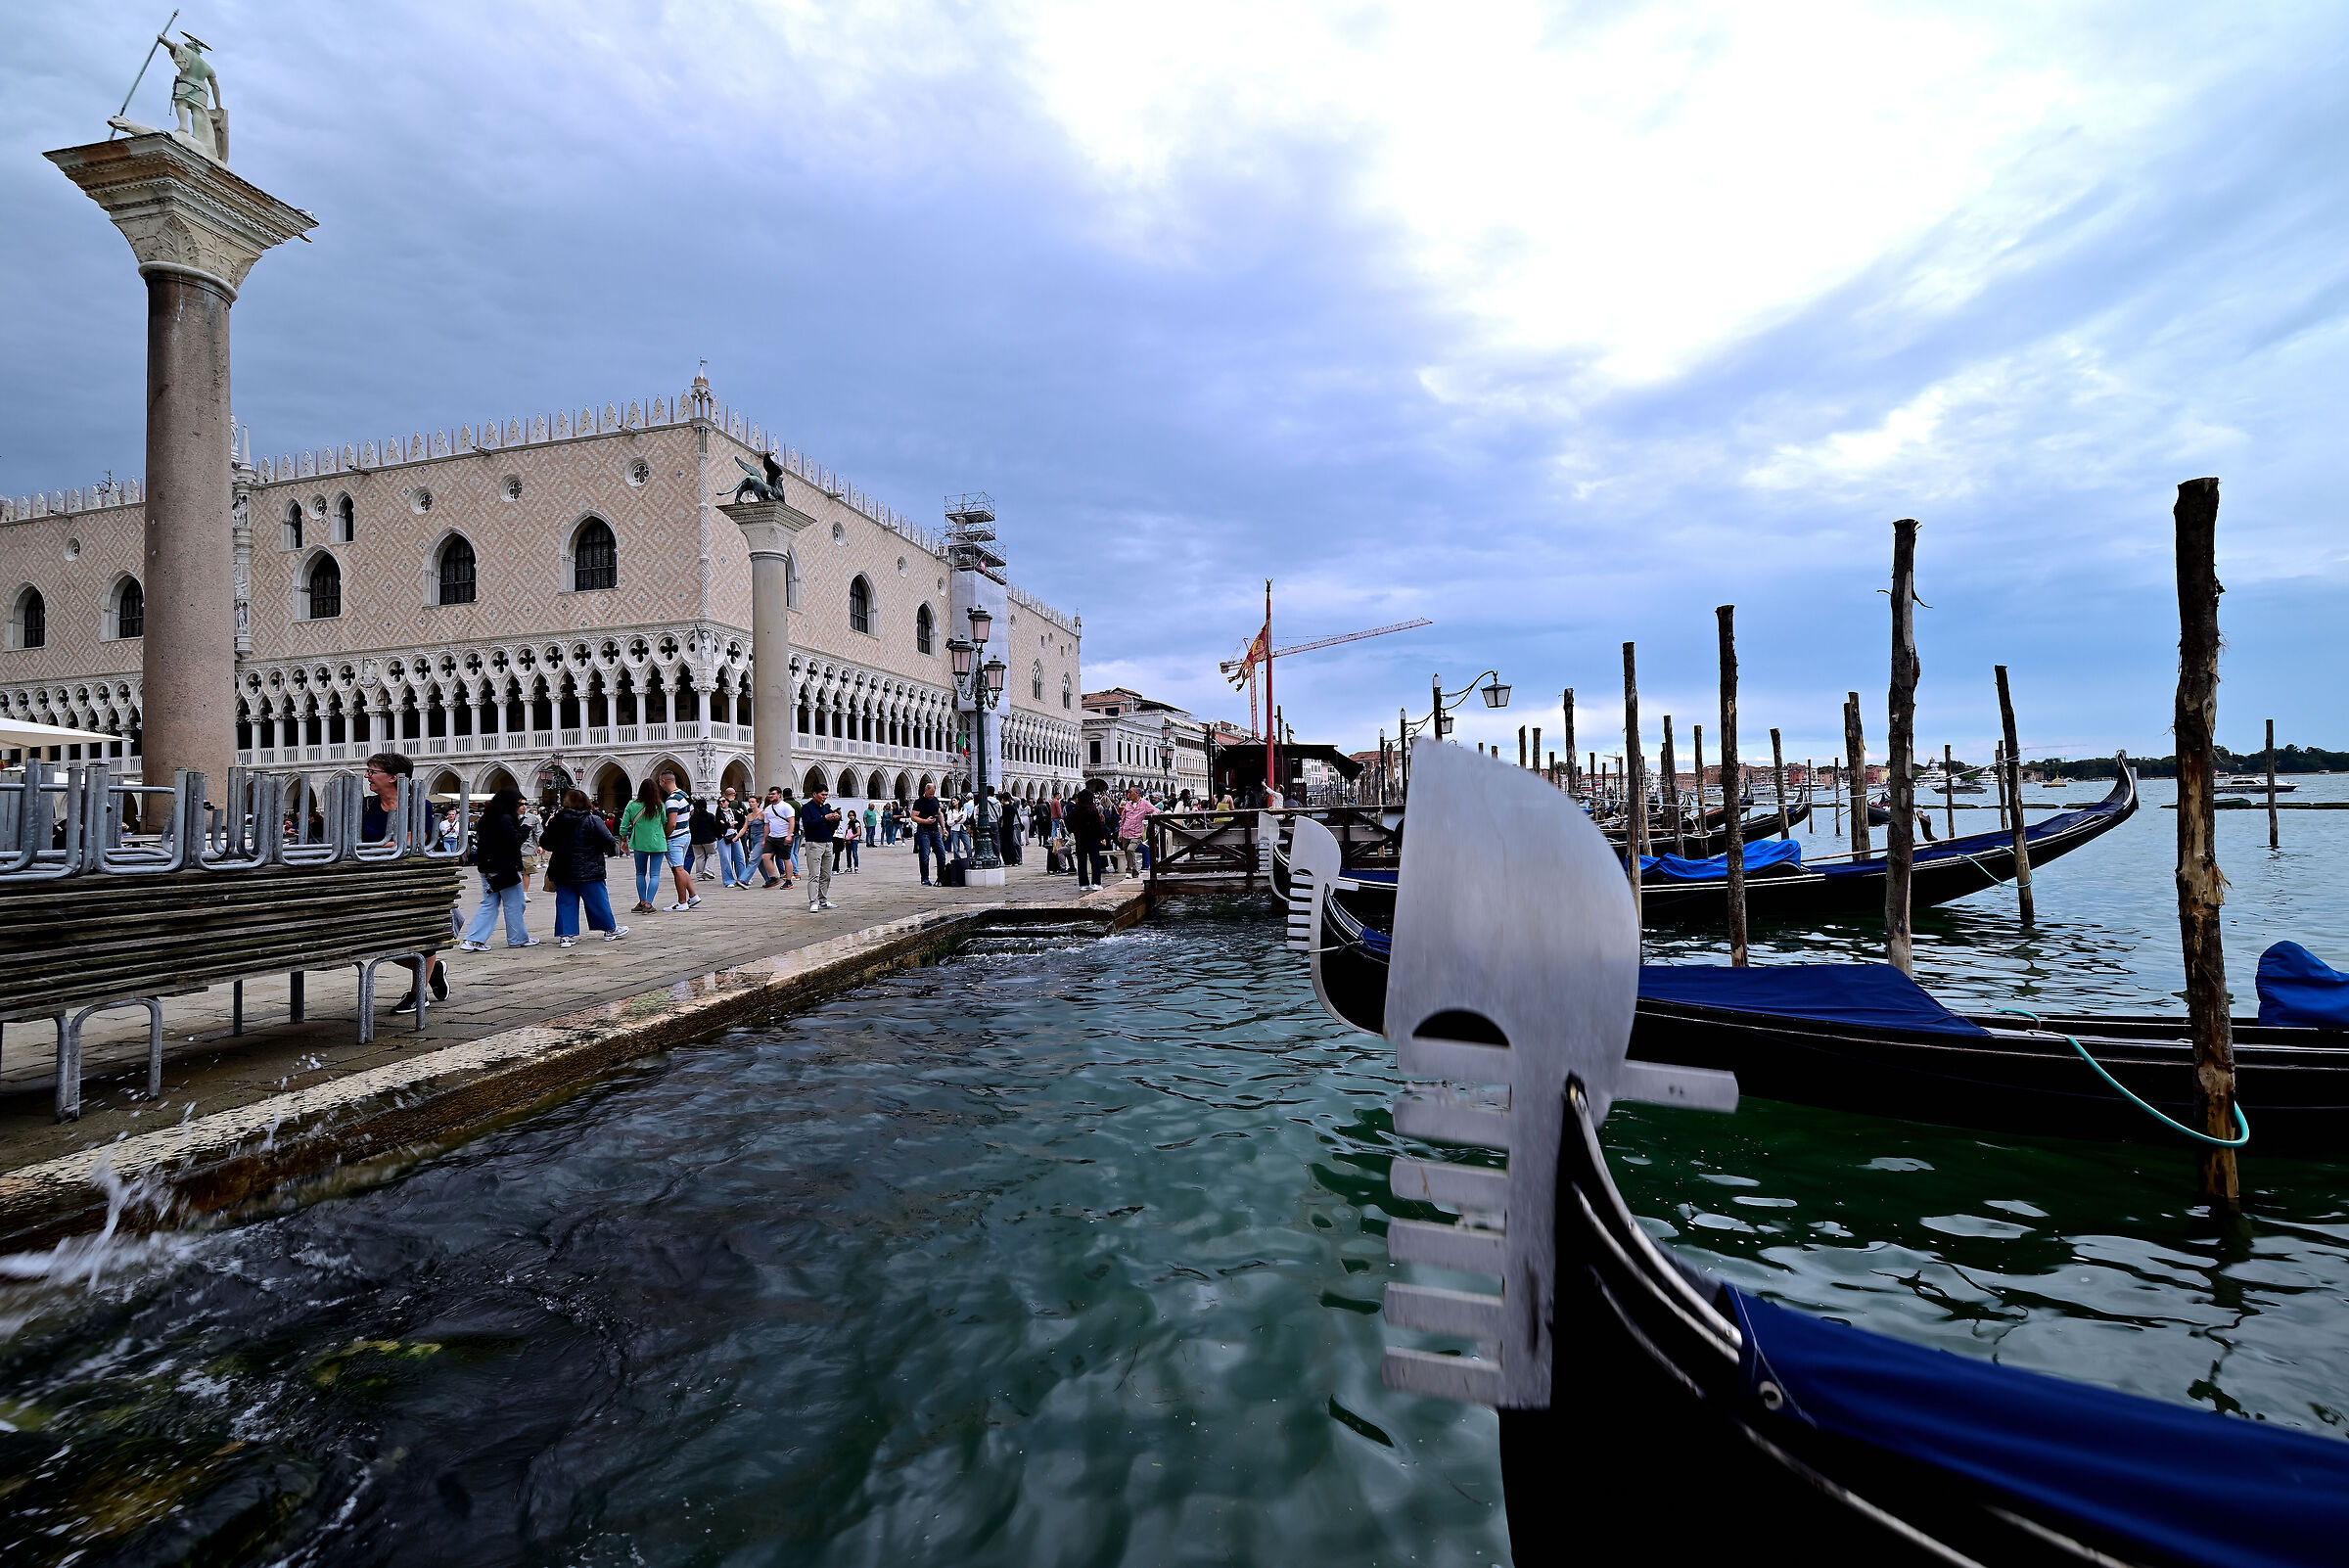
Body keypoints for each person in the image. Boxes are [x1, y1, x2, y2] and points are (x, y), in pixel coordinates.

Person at [361, 751, 447, 1012]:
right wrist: (389, 843)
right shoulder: (366, 805)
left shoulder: (419, 804)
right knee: (381, 944)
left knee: (422, 935)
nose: (367, 776)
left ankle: (417, 992)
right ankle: (432, 971)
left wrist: (384, 845)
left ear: (393, 777)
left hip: (416, 881)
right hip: (376, 882)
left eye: (372, 771)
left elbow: (415, 839)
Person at [540, 789, 628, 946]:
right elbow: (609, 842)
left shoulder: (556, 821)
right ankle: (609, 929)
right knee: (598, 900)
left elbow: (546, 843)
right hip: (589, 867)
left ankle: (566, 935)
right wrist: (594, 848)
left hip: (562, 868)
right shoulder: (592, 820)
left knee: (565, 901)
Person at [457, 786, 535, 951]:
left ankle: (473, 939)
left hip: (487, 867)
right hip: (504, 868)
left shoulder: (487, 818)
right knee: (515, 903)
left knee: (489, 904)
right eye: (519, 802)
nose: (521, 805)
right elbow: (512, 841)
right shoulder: (505, 818)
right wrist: (525, 829)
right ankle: (517, 938)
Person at [619, 778, 671, 913]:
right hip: (657, 843)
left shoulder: (632, 805)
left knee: (640, 873)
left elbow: (624, 826)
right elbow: (665, 822)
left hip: (640, 843)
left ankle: (642, 901)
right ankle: (648, 904)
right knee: (655, 875)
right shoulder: (659, 805)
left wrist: (624, 839)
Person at [658, 767, 698, 910]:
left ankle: (682, 902)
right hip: (686, 834)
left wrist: (665, 836)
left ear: (663, 781)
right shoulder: (683, 794)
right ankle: (693, 896)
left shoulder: (672, 799)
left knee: (678, 870)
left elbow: (672, 823)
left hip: (675, 838)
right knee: (680, 868)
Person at [799, 785, 842, 911]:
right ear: (814, 794)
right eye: (822, 794)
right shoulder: (807, 808)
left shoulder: (826, 808)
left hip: (828, 842)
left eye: (826, 795)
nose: (825, 797)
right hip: (814, 843)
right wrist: (824, 818)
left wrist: (835, 819)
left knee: (826, 874)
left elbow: (832, 827)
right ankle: (813, 901)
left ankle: (823, 899)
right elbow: (808, 825)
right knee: (814, 874)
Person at [1067, 779, 1112, 892]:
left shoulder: (1075, 810)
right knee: (1095, 860)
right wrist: (1102, 837)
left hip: (1080, 839)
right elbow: (1098, 825)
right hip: (1092, 839)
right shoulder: (1092, 810)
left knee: (1081, 861)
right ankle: (1096, 882)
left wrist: (1075, 832)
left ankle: (1083, 884)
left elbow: (1069, 823)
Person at [758, 786, 795, 888]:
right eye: (769, 794)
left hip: (783, 836)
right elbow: (767, 825)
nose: (770, 796)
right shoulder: (768, 809)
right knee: (765, 856)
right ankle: (773, 878)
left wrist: (788, 835)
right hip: (772, 837)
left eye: (773, 794)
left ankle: (788, 881)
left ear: (779, 795)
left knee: (786, 858)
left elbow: (791, 821)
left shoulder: (786, 807)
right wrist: (764, 840)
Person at [1117, 784, 1158, 878]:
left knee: (1130, 849)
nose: (1128, 794)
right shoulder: (1127, 804)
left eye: (1130, 792)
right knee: (1127, 852)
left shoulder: (1145, 804)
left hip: (1136, 833)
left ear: (1137, 794)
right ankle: (1135, 873)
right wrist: (1120, 833)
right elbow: (1122, 820)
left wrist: (1154, 814)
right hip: (1125, 832)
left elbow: (1155, 810)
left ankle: (1128, 871)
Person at [908, 783, 945, 885]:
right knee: (924, 855)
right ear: (925, 791)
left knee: (941, 854)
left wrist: (944, 828)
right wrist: (925, 821)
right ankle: (925, 878)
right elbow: (913, 817)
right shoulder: (919, 802)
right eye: (930, 794)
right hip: (923, 831)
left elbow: (939, 814)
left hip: (935, 831)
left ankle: (941, 878)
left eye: (933, 794)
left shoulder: (935, 800)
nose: (931, 796)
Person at [715, 787, 750, 888]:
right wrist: (728, 824)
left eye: (723, 801)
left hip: (735, 835)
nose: (722, 803)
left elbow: (741, 821)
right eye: (720, 802)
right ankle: (728, 880)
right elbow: (719, 824)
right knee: (726, 858)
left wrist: (732, 824)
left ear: (728, 801)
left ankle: (742, 878)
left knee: (740, 857)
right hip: (723, 837)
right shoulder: (719, 813)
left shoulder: (734, 811)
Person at [689, 795, 721, 881]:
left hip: (696, 841)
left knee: (699, 857)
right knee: (711, 854)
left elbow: (690, 829)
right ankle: (707, 870)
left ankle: (699, 875)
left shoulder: (692, 818)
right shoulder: (710, 816)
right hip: (709, 839)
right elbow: (715, 827)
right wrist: (717, 836)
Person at [840, 807, 861, 871]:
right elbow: (846, 833)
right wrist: (846, 839)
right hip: (848, 840)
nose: (851, 817)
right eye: (850, 815)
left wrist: (851, 838)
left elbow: (858, 833)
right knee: (848, 854)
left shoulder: (856, 823)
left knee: (854, 853)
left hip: (854, 840)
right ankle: (849, 867)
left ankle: (856, 866)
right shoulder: (848, 824)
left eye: (852, 815)